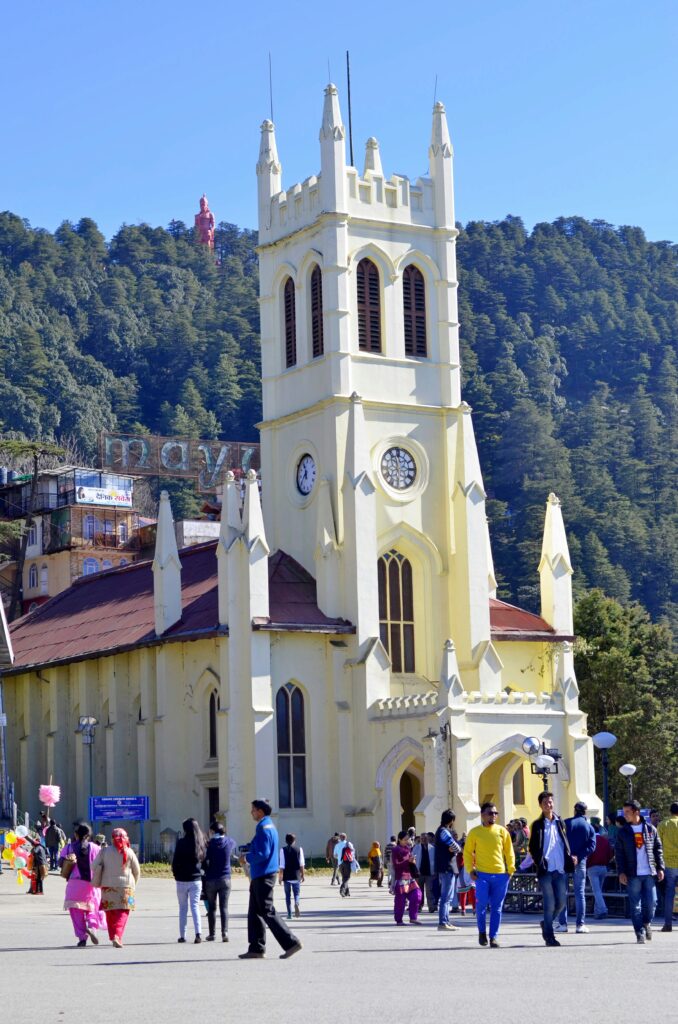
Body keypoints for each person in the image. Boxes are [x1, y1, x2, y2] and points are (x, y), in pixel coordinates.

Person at [239, 799, 302, 960]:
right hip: (260, 874)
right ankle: (256, 948)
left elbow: (263, 853)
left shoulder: (263, 828)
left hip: (263, 874)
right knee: (254, 912)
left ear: (260, 811)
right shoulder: (267, 825)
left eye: (253, 810)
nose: (251, 812)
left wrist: (246, 858)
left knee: (267, 910)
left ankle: (291, 942)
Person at [464, 802, 515, 947]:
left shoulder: (502, 831)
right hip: (481, 875)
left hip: (500, 875)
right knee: (481, 905)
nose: (493, 816)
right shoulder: (475, 832)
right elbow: (467, 852)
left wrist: (510, 870)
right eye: (490, 813)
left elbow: (509, 851)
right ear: (482, 815)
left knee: (496, 907)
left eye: (495, 813)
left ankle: (493, 936)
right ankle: (482, 932)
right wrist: (470, 869)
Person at [529, 791, 576, 947]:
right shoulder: (537, 824)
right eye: (545, 803)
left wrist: (570, 856)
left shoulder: (560, 822)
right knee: (549, 904)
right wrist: (539, 862)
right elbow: (533, 847)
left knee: (562, 902)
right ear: (540, 805)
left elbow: (565, 843)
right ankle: (549, 936)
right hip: (546, 869)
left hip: (560, 868)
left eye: (550, 802)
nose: (549, 805)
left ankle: (546, 922)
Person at [616, 799, 665, 944]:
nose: (625, 815)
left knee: (652, 903)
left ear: (636, 812)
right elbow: (619, 854)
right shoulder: (623, 832)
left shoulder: (650, 829)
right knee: (635, 905)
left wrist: (660, 867)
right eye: (624, 812)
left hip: (649, 873)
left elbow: (658, 850)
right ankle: (640, 932)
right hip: (632, 874)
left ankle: (646, 923)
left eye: (627, 812)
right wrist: (621, 872)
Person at [91, 827, 141, 948]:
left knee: (110, 913)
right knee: (123, 913)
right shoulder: (129, 852)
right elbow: (137, 871)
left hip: (108, 887)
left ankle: (113, 935)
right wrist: (134, 885)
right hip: (126, 887)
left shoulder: (104, 851)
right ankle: (117, 936)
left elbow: (93, 866)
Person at [60, 824, 105, 947]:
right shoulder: (96, 848)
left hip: (74, 884)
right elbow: (102, 865)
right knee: (92, 908)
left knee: (76, 912)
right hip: (91, 884)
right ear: (89, 835)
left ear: (75, 835)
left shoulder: (69, 847)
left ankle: (82, 938)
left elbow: (60, 863)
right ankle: (92, 926)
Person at [555, 802, 596, 934]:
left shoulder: (566, 823)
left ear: (574, 810)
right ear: (585, 812)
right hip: (581, 861)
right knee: (580, 893)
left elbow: (558, 841)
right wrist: (578, 856)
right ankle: (580, 925)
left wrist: (569, 855)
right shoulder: (589, 827)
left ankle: (562, 924)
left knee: (562, 892)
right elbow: (592, 846)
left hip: (565, 861)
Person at [172, 817, 207, 944]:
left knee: (182, 908)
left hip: (182, 879)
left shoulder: (181, 842)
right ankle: (198, 934)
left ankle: (183, 935)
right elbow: (204, 861)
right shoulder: (201, 842)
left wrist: (176, 875)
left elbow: (175, 862)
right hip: (196, 879)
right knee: (195, 906)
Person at [203, 820, 236, 942]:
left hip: (211, 879)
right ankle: (225, 933)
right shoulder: (230, 842)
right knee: (224, 907)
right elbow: (233, 844)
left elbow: (204, 858)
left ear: (212, 832)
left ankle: (212, 934)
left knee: (212, 908)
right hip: (225, 879)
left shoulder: (209, 844)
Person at [434, 809, 461, 932]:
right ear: (451, 820)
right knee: (445, 897)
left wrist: (453, 848)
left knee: (448, 897)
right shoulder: (444, 831)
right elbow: (456, 847)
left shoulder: (441, 830)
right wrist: (456, 848)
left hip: (446, 867)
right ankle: (443, 922)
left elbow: (452, 847)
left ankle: (446, 921)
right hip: (447, 867)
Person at [391, 830, 421, 925]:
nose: (407, 841)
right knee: (400, 901)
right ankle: (399, 920)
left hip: (410, 877)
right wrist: (407, 861)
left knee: (417, 895)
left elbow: (409, 862)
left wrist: (412, 861)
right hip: (401, 877)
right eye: (404, 839)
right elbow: (396, 864)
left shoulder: (408, 848)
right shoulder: (395, 849)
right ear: (399, 839)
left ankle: (413, 917)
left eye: (407, 839)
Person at [658, 802, 678, 931]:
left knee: (669, 894)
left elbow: (657, 845)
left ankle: (668, 924)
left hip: (669, 863)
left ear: (670, 811)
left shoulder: (663, 824)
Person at [587, 823, 614, 918]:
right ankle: (597, 911)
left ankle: (602, 910)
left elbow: (588, 854)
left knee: (596, 890)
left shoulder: (590, 840)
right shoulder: (605, 840)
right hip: (603, 867)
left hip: (592, 867)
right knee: (599, 890)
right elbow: (610, 854)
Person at [279, 832, 305, 919]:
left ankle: (289, 914)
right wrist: (303, 875)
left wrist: (280, 877)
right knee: (297, 893)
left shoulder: (282, 850)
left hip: (286, 876)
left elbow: (282, 865)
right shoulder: (299, 849)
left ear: (286, 841)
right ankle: (297, 903)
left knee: (287, 896)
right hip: (296, 875)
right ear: (294, 840)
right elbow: (301, 864)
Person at [412, 832, 436, 911]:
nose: (423, 840)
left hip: (430, 873)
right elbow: (411, 857)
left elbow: (435, 860)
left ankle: (431, 907)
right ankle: (419, 906)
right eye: (422, 839)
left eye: (425, 838)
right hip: (419, 873)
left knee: (430, 891)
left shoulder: (433, 848)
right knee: (419, 891)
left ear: (428, 839)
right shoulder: (416, 847)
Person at [336, 833, 355, 897]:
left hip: (340, 863)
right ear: (345, 837)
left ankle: (347, 893)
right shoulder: (349, 844)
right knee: (347, 877)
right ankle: (342, 890)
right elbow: (352, 852)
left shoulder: (337, 845)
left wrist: (339, 858)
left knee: (344, 877)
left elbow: (334, 854)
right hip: (347, 862)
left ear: (340, 838)